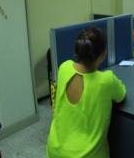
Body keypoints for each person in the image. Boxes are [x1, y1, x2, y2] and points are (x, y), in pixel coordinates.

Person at [47, 27, 126, 158]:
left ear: (77, 51)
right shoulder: (106, 80)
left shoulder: (64, 68)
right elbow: (121, 94)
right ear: (103, 54)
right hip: (86, 155)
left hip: (55, 150)